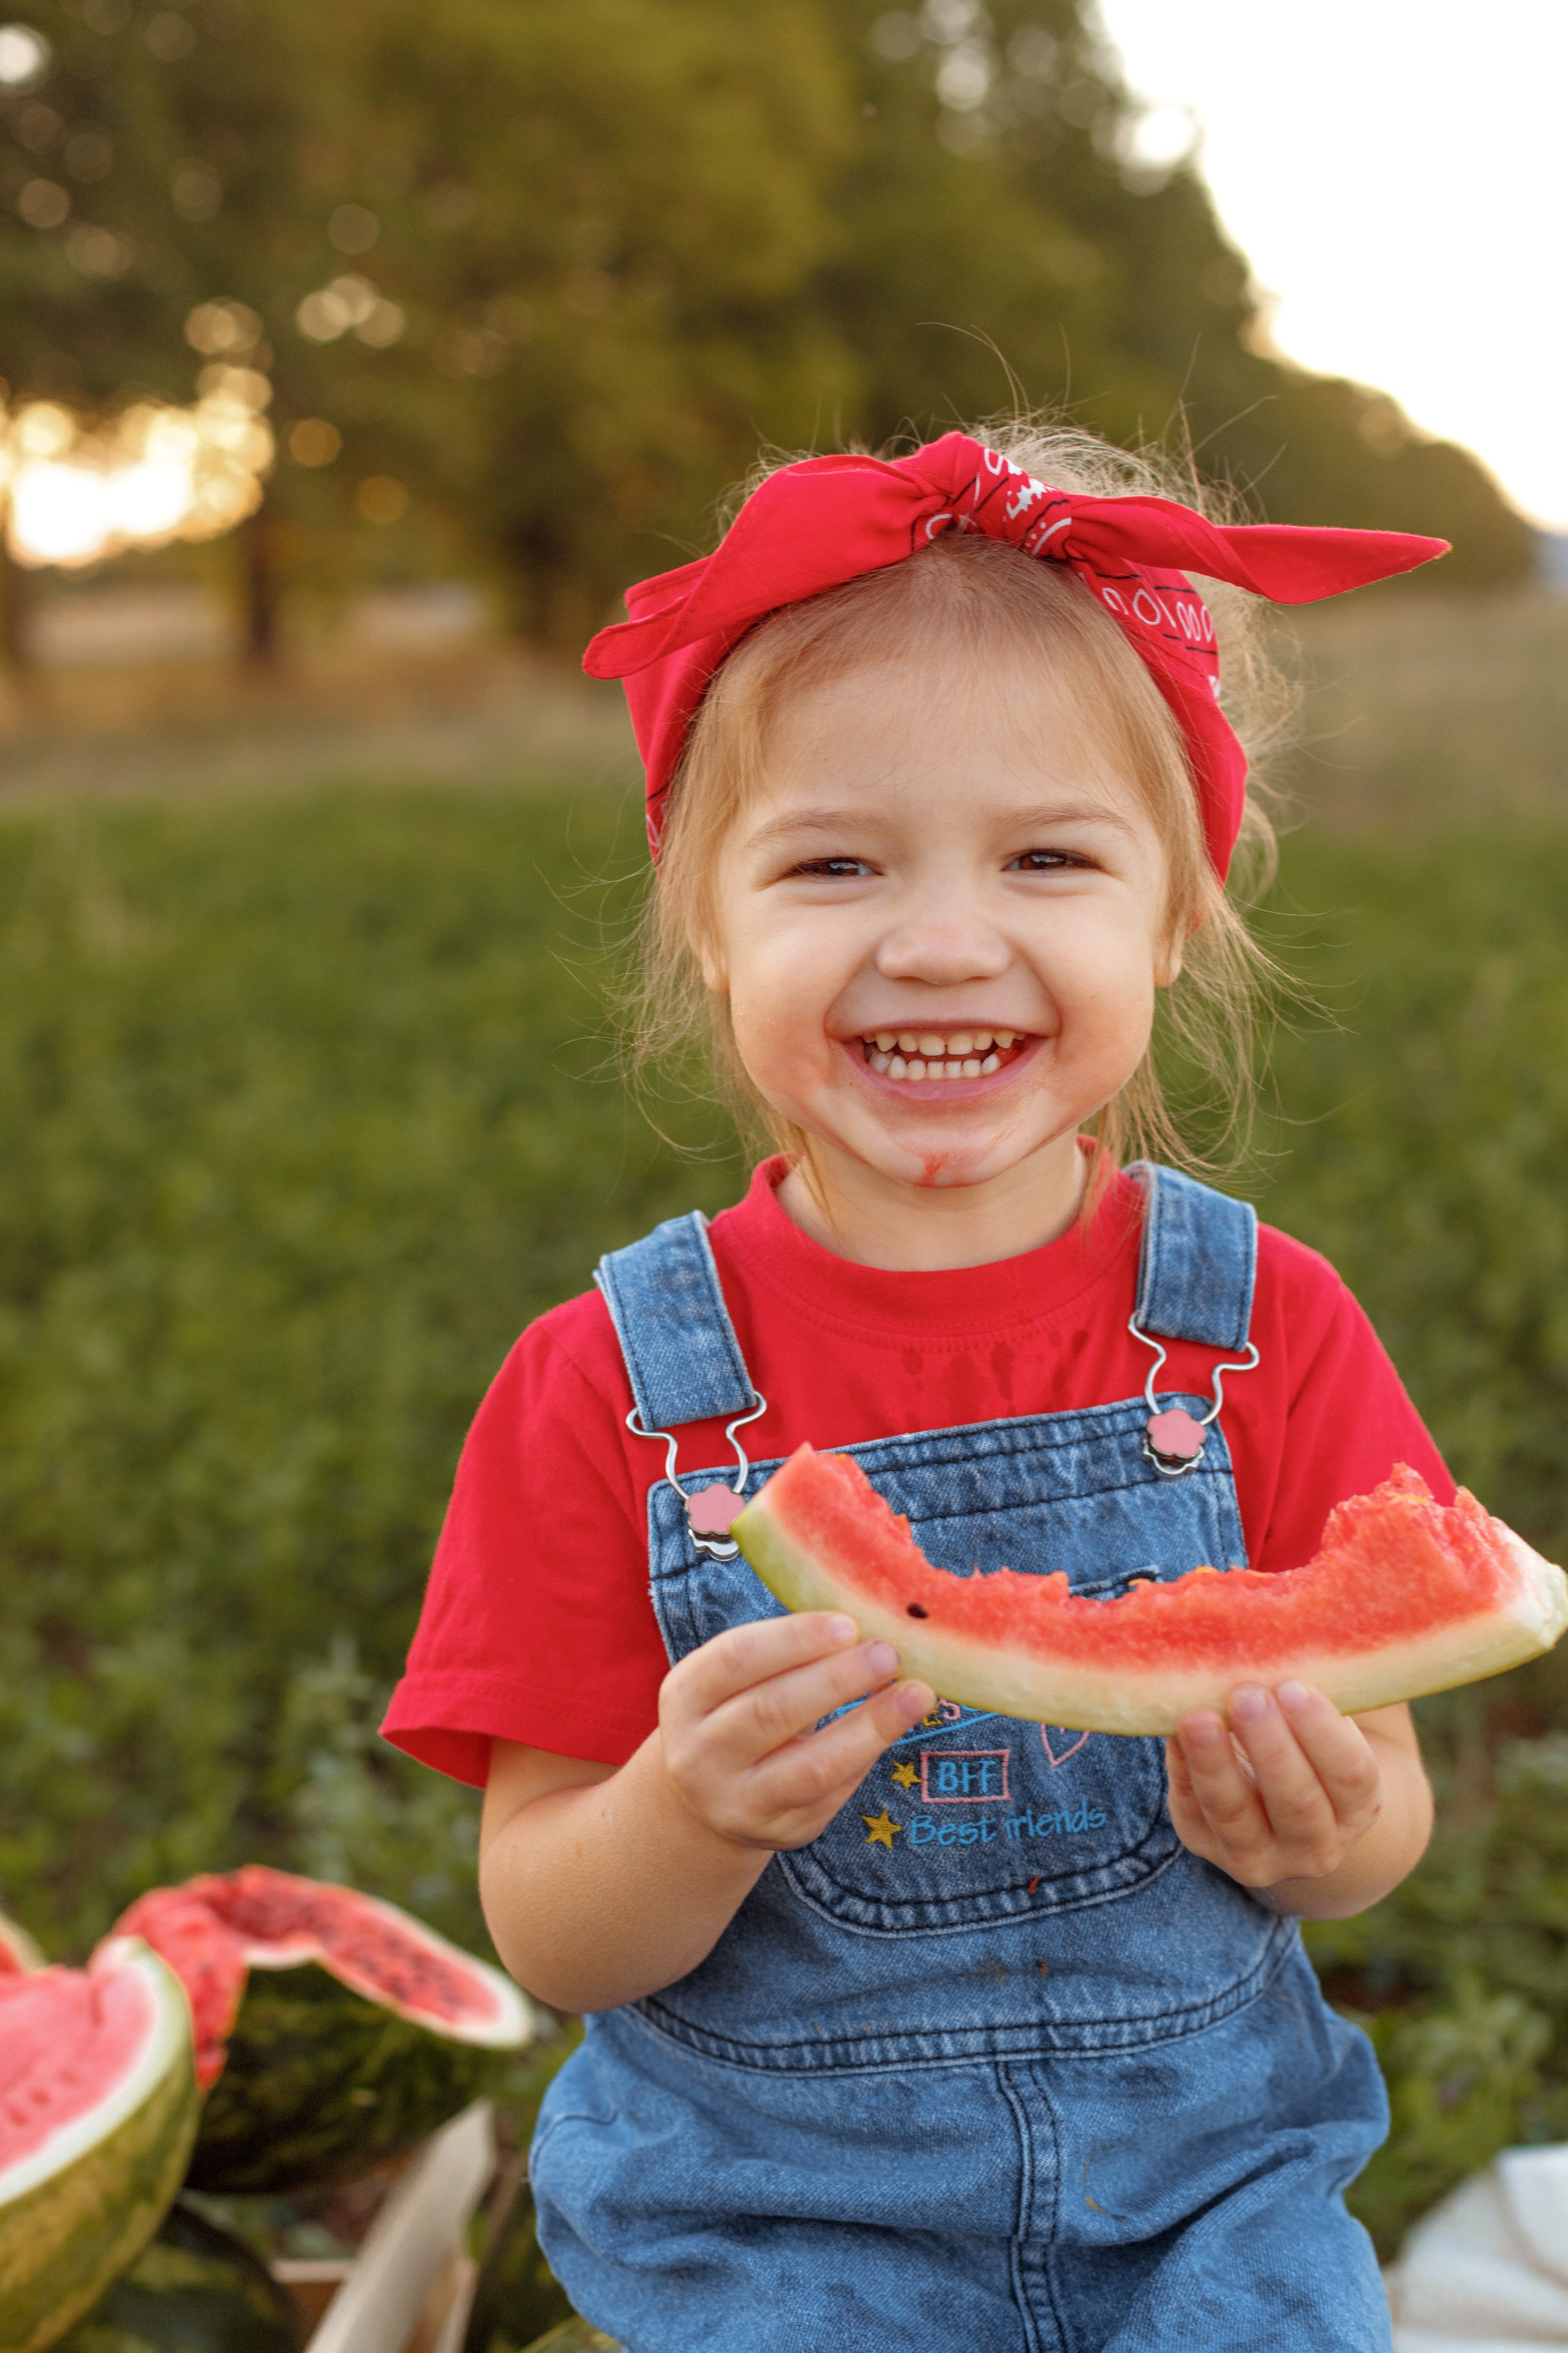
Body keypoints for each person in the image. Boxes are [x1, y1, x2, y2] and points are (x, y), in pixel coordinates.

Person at [384, 425, 1452, 2351]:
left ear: (1176, 911)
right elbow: (548, 1921)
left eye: (1048, 857)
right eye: (833, 862)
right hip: (770, 2237)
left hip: (1211, 2200)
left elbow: (1389, 1822)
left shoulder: (1261, 1327)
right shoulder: (608, 1387)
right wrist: (685, 1814)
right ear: (709, 926)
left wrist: (1326, 1824)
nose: (943, 937)